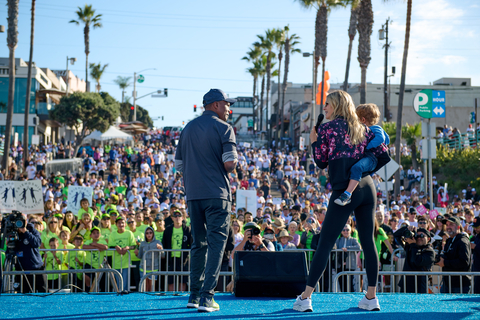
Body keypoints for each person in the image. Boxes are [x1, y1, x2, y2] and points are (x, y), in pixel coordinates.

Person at [293, 90, 382, 313]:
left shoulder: (328, 128)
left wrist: (314, 142)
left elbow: (322, 162)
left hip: (345, 189)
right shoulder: (364, 128)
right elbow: (381, 153)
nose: (324, 109)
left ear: (337, 106)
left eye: (327, 105)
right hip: (367, 187)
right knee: (368, 242)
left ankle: (305, 298)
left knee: (324, 243)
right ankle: (371, 297)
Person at [175, 88, 237, 312]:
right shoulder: (224, 128)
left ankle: (193, 295)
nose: (229, 109)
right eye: (227, 105)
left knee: (197, 245)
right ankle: (207, 298)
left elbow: (178, 165)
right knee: (217, 245)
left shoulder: (187, 128)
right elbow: (230, 163)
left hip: (193, 195)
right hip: (217, 194)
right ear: (216, 105)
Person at [335, 103, 390, 206]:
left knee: (357, 168)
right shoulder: (366, 130)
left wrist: (367, 147)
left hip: (371, 158)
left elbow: (382, 139)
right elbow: (387, 138)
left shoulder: (374, 128)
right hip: (366, 156)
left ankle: (347, 195)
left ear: (363, 120)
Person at [394, 226, 435, 293]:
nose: (419, 238)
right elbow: (396, 235)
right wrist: (407, 228)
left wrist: (413, 245)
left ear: (428, 239)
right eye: (417, 236)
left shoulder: (430, 252)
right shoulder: (410, 247)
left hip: (419, 287)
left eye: (422, 236)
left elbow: (417, 261)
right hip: (406, 284)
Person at [436, 216, 471, 293]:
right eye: (447, 225)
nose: (448, 227)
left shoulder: (462, 241)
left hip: (460, 285)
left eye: (451, 225)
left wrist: (445, 263)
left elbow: (464, 262)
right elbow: (448, 256)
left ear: (458, 227)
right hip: (447, 283)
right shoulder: (449, 241)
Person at [335, 224, 361, 293]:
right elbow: (334, 249)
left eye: (347, 230)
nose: (345, 231)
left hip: (350, 264)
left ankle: (350, 298)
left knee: (350, 283)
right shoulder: (338, 240)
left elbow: (358, 247)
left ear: (350, 231)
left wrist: (347, 248)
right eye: (343, 230)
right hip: (340, 264)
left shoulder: (353, 240)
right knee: (341, 283)